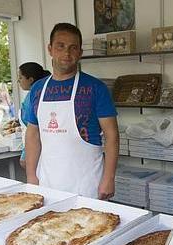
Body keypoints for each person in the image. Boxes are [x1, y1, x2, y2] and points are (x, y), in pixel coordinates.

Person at [24, 23, 119, 199]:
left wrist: (109, 178)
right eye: (60, 46)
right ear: (50, 49)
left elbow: (111, 135)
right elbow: (32, 134)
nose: (67, 53)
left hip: (86, 181)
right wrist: (31, 175)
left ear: (80, 53)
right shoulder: (37, 89)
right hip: (47, 180)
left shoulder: (95, 88)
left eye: (73, 48)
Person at [17, 62, 51, 168]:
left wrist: (25, 154)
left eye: (20, 77)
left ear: (30, 80)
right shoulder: (45, 92)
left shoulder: (32, 97)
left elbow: (33, 130)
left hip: (39, 150)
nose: (18, 81)